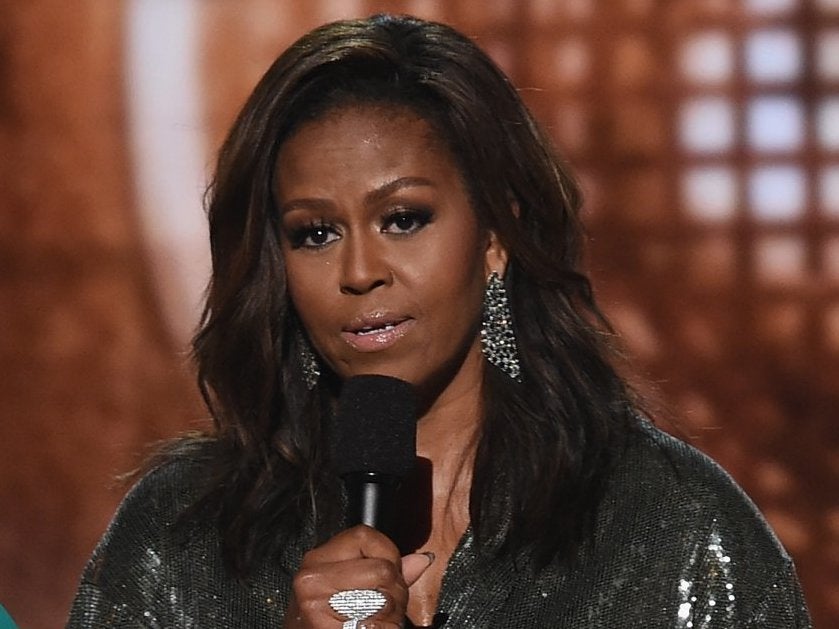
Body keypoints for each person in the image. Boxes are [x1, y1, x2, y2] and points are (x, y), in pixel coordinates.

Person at [67, 13, 812, 628]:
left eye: (402, 218)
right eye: (314, 233)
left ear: (494, 237)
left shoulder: (671, 531)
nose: (359, 271)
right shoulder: (179, 537)